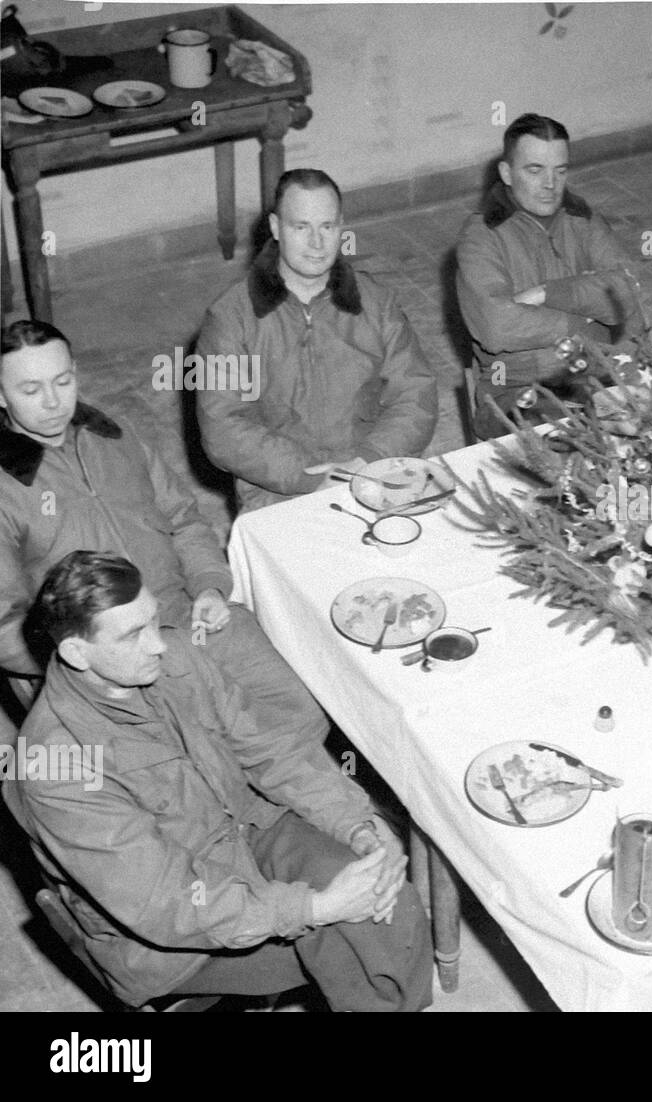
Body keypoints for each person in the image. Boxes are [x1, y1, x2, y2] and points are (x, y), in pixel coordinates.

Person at [3, 552, 433, 1010]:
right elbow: (165, 902)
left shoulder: (178, 656)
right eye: (133, 634)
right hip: (175, 937)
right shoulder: (55, 767)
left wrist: (356, 826)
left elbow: (273, 752)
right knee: (350, 930)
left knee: (387, 899)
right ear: (75, 652)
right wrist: (317, 908)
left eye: (153, 620)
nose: (158, 645)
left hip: (249, 829)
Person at [0, 320, 327, 752]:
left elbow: (183, 519)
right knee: (209, 753)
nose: (52, 401)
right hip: (109, 657)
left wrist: (209, 587)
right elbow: (4, 624)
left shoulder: (114, 438)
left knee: (300, 711)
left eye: (63, 380)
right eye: (30, 390)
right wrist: (93, 662)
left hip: (187, 614)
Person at [196, 168, 438, 513]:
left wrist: (366, 461)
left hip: (374, 473)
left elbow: (416, 396)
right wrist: (309, 477)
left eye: (327, 226)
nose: (317, 243)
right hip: (279, 492)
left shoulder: (377, 303)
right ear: (276, 228)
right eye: (301, 227)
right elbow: (222, 427)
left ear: (341, 226)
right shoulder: (230, 319)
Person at [455, 113, 644, 439]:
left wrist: (547, 293)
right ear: (507, 173)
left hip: (596, 372)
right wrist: (583, 322)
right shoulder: (482, 236)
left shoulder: (582, 220)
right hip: (514, 387)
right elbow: (497, 326)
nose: (550, 184)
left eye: (560, 170)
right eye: (534, 170)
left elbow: (626, 292)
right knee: (569, 437)